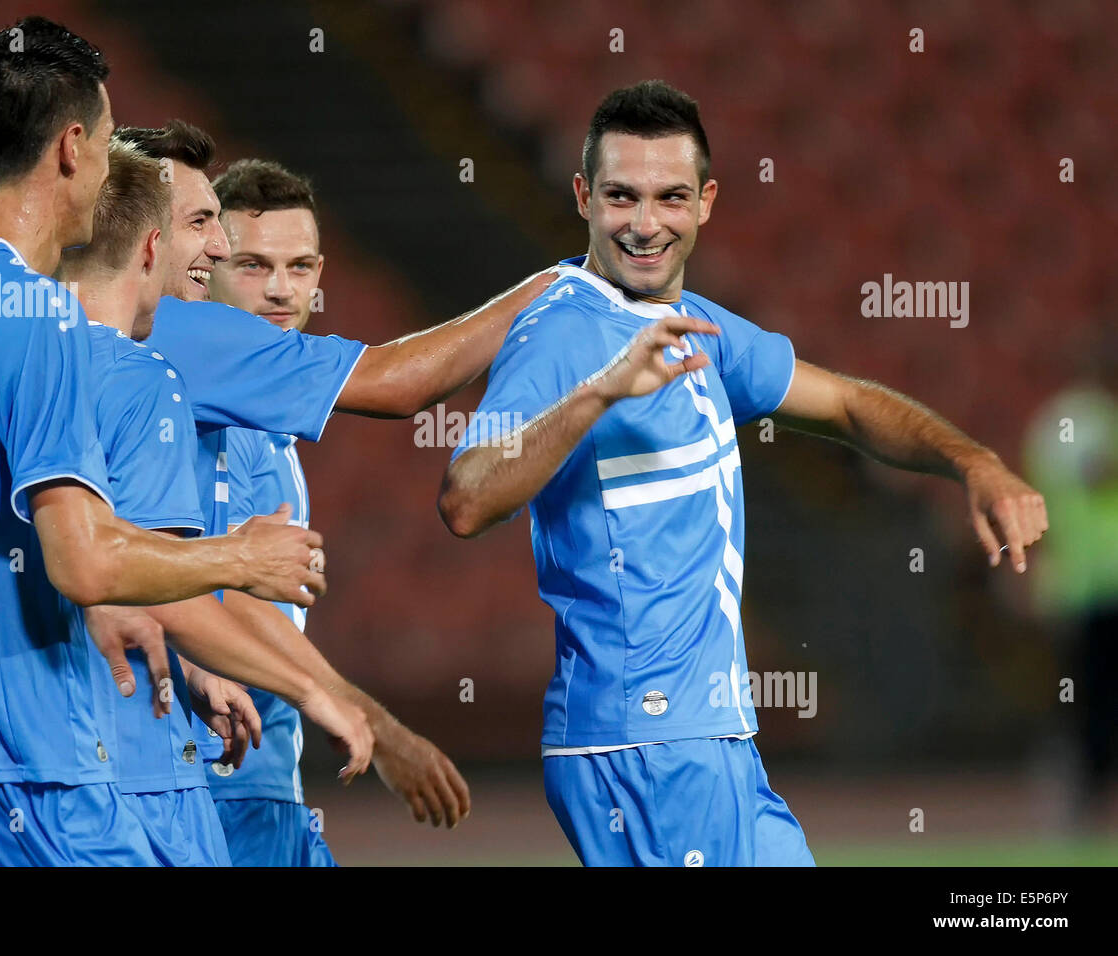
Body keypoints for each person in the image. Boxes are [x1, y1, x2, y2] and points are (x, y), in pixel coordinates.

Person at [438, 80, 1049, 867]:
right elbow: (465, 497)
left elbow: (850, 406)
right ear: (584, 196)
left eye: (670, 197)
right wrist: (599, 394)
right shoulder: (561, 329)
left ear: (708, 201)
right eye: (622, 196)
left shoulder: (704, 335)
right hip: (647, 741)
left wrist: (974, 461)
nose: (646, 224)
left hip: (717, 741)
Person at [0, 17, 322, 866]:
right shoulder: (40, 316)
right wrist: (239, 559)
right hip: (31, 771)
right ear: (72, 147)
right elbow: (85, 565)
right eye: (105, 143)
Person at [55, 141, 374, 864]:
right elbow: (119, 570)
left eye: (299, 268)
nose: (278, 289)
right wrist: (323, 693)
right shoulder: (149, 377)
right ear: (152, 242)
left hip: (224, 769)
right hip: (168, 774)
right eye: (212, 232)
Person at [204, 158, 470, 865]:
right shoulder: (205, 415)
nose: (281, 290)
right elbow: (227, 604)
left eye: (298, 266)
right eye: (253, 265)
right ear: (207, 266)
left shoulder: (264, 420)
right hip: (212, 791)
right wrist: (380, 730)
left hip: (259, 786)